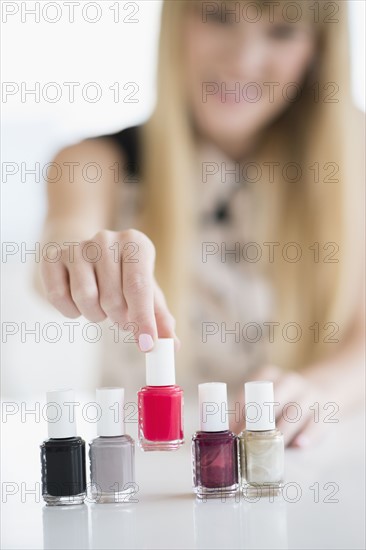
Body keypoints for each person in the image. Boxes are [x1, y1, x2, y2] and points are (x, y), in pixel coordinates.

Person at [38, 1, 365, 447]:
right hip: (147, 476)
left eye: (283, 31)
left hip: (306, 465)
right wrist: (76, 258)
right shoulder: (92, 163)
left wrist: (322, 390)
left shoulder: (356, 167)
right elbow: (64, 235)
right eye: (218, 17)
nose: (243, 59)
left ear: (318, 51)